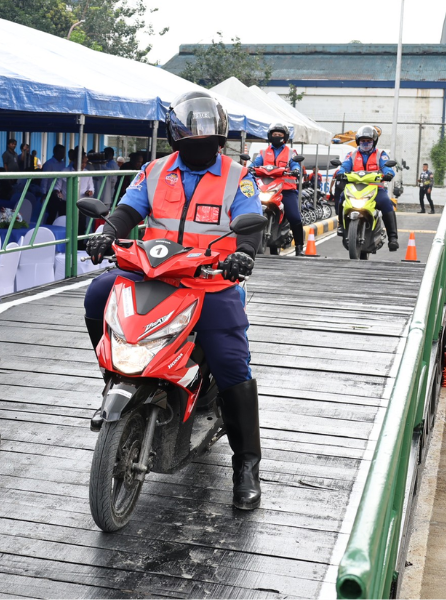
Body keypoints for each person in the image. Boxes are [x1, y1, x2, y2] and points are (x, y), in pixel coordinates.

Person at [83, 90, 264, 511]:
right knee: (97, 297)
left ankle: (247, 466)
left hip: (210, 281)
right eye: (190, 130)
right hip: (150, 270)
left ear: (219, 135)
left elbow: (251, 225)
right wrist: (107, 232)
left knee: (232, 363)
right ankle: (115, 383)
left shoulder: (239, 176)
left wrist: (244, 254)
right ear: (175, 134)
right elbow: (128, 210)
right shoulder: (154, 170)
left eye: (206, 131)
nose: (198, 137)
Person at [337, 126, 399, 251]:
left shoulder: (381, 155)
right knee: (341, 197)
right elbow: (345, 166)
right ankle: (340, 225)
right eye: (363, 141)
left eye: (368, 141)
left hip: (376, 189)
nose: (365, 143)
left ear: (374, 141)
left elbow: (387, 167)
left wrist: (388, 174)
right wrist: (341, 172)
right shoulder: (352, 154)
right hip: (355, 188)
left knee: (387, 203)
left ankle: (393, 238)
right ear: (358, 141)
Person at [250, 123, 304, 256]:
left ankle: (299, 247)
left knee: (294, 217)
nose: (277, 137)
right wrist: (249, 168)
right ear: (270, 136)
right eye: (274, 135)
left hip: (286, 190)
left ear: (285, 137)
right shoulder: (263, 153)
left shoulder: (291, 152)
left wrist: (296, 170)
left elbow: (295, 163)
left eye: (280, 135)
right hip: (266, 189)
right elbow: (254, 164)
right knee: (249, 211)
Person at [41, 144, 68, 222]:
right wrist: (44, 193)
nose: (62, 154)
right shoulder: (49, 164)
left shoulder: (63, 164)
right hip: (51, 192)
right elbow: (45, 179)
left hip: (61, 192)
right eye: (60, 152)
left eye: (63, 152)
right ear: (55, 152)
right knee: (52, 214)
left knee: (62, 214)